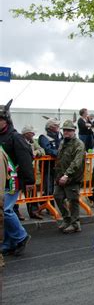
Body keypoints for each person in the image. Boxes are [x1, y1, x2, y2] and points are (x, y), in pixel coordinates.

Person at [0, 100, 34, 257]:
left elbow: (26, 159)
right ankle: (8, 243)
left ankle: (21, 236)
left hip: (13, 180)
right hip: (2, 180)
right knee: (5, 211)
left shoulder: (15, 137)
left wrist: (29, 181)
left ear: (6, 120)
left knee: (6, 210)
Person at [53, 120, 85, 233]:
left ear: (74, 131)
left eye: (69, 130)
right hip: (60, 177)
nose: (66, 132)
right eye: (64, 130)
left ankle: (75, 224)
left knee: (73, 201)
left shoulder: (79, 144)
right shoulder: (63, 142)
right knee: (57, 196)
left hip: (72, 178)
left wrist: (67, 175)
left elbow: (77, 162)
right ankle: (67, 219)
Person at [21, 125, 45, 220]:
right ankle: (16, 212)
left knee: (32, 191)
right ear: (26, 133)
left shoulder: (33, 141)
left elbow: (42, 150)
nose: (34, 134)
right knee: (15, 193)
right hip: (19, 170)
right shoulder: (19, 141)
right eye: (32, 133)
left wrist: (36, 152)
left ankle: (34, 211)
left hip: (29, 170)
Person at [39, 118, 62, 196]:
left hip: (58, 164)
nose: (58, 126)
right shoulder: (43, 136)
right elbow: (48, 150)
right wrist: (60, 154)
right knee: (48, 187)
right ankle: (48, 204)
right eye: (56, 125)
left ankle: (47, 202)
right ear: (50, 127)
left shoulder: (60, 134)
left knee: (60, 186)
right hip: (47, 165)